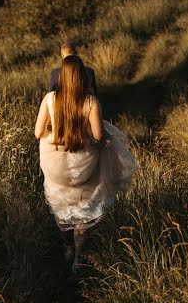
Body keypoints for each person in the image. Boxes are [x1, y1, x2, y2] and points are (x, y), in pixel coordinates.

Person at [34, 55, 136, 272]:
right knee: (86, 202)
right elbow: (98, 135)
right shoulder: (90, 102)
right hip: (84, 164)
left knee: (60, 200)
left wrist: (60, 134)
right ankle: (79, 258)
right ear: (81, 75)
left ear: (61, 75)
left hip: (56, 164)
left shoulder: (50, 99)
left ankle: (66, 245)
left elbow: (38, 132)